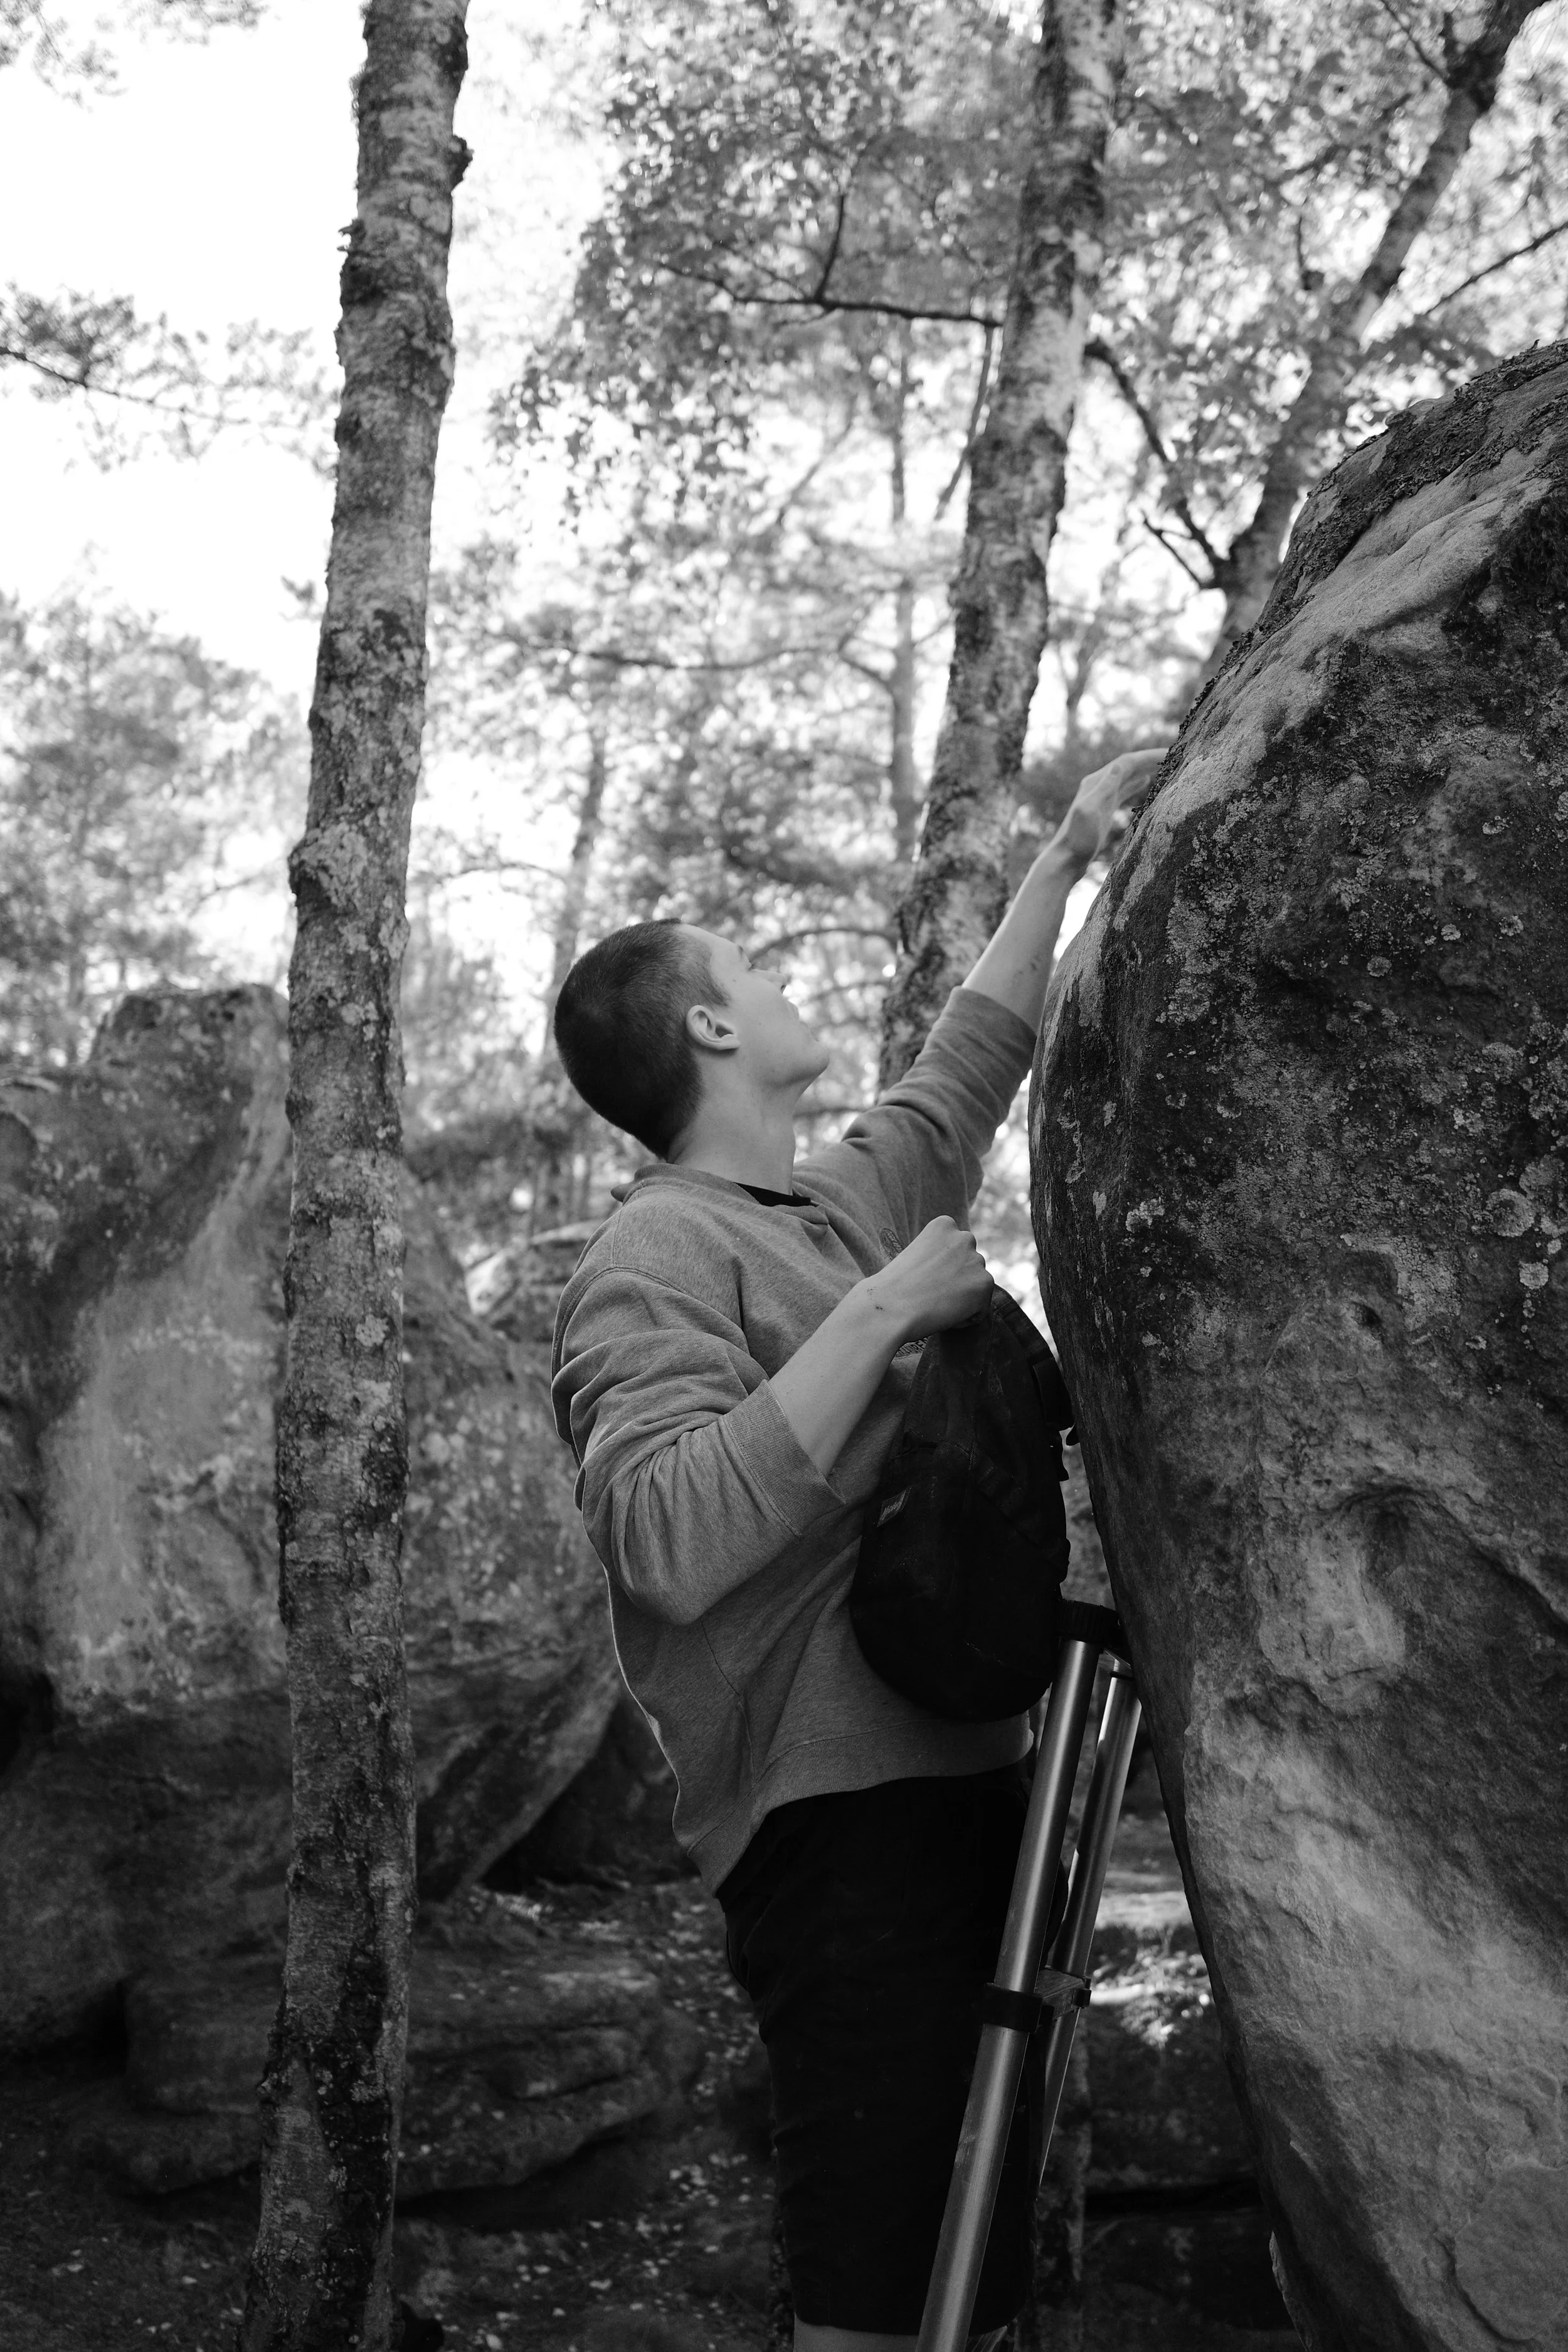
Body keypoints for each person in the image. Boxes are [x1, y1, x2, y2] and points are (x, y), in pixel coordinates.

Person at [549, 750, 1163, 2352]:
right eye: (748, 970)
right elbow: (666, 1533)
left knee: (970, 2277)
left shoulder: (834, 1205)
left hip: (970, 1792)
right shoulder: (654, 1251)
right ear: (706, 1025)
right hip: (834, 1831)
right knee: (876, 2286)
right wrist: (894, 1310)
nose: (776, 980)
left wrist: (1067, 857)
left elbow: (964, 1070)